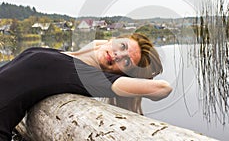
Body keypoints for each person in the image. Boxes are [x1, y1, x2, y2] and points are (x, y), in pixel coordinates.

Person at [0, 33, 172, 140]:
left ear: (122, 74)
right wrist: (106, 45)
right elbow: (97, 45)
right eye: (122, 45)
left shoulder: (90, 77)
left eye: (127, 62)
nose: (118, 55)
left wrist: (140, 77)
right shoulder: (69, 56)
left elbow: (162, 89)